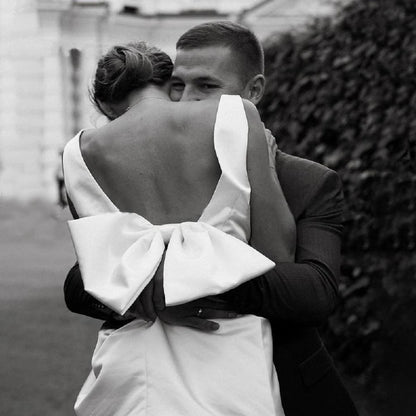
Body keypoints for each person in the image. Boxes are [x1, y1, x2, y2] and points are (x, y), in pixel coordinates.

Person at [64, 22, 359, 415]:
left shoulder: (309, 180)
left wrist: (182, 286)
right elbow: (78, 282)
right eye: (178, 85)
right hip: (144, 378)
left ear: (252, 92)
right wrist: (150, 294)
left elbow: (313, 291)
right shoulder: (139, 159)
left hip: (271, 379)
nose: (187, 100)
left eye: (206, 86)